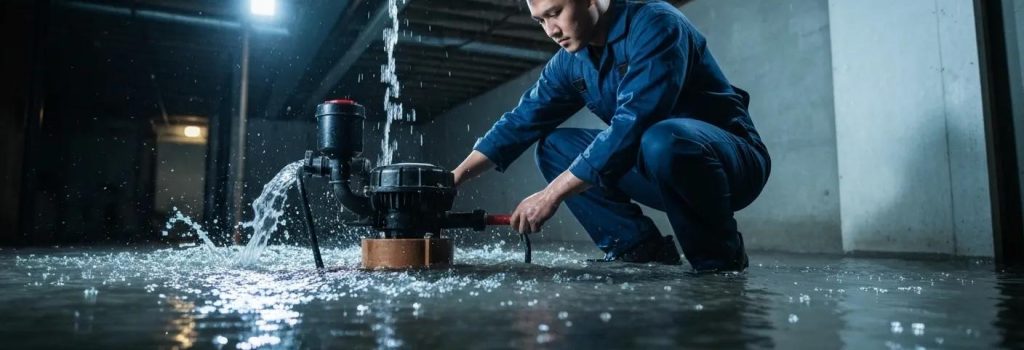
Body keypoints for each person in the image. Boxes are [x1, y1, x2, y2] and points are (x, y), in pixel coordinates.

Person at [451, 0, 770, 272]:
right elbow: (520, 122)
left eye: (556, 12)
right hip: (656, 165)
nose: (551, 30)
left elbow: (635, 123)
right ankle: (638, 249)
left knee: (662, 137)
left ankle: (719, 258)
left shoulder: (656, 24)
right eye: (540, 20)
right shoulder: (570, 62)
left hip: (730, 164)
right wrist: (453, 179)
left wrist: (550, 195)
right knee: (554, 147)